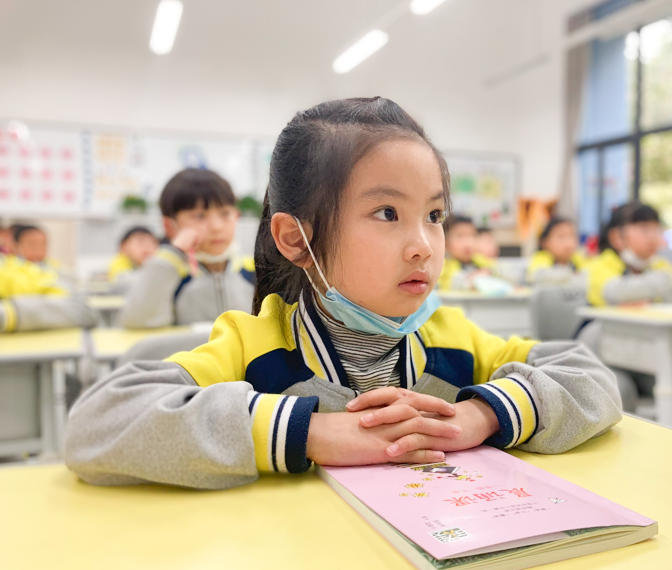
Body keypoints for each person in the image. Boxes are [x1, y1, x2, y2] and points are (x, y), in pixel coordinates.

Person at [64, 97, 623, 489]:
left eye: (434, 215)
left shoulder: (455, 340)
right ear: (295, 238)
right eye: (387, 213)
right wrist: (309, 432)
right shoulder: (251, 344)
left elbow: (593, 379)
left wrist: (482, 415)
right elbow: (97, 423)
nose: (424, 245)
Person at [578, 202, 672, 428]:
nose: (654, 237)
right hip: (602, 355)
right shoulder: (601, 264)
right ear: (618, 237)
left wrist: (654, 285)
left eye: (657, 230)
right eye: (644, 229)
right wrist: (668, 281)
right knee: (619, 388)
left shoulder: (658, 264)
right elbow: (615, 291)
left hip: (645, 355)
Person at [120, 169, 255, 328]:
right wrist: (174, 252)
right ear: (169, 226)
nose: (217, 227)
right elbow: (138, 321)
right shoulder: (167, 276)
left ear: (236, 216)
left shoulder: (255, 271)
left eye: (225, 213)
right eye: (199, 216)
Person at [0, 253, 96, 332]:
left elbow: (81, 309)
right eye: (31, 243)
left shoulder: (18, 271)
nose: (38, 249)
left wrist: (8, 314)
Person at [437, 215, 496, 290]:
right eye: (460, 236)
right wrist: (475, 278)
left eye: (472, 235)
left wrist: (490, 272)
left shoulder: (480, 260)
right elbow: (451, 282)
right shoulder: (444, 266)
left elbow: (497, 270)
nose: (467, 243)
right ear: (445, 242)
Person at [526, 217, 587, 284]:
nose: (568, 243)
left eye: (571, 236)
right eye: (561, 237)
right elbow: (536, 276)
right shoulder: (541, 259)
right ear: (545, 242)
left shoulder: (579, 260)